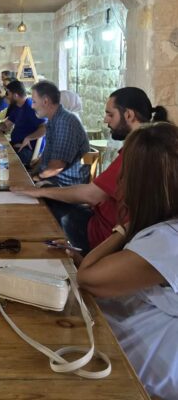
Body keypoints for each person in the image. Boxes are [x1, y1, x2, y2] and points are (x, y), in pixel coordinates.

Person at [77, 122, 178, 400]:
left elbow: (87, 278)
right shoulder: (166, 231)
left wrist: (123, 228)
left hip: (142, 372)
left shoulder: (167, 241)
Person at [16, 87, 169, 254]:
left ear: (129, 115)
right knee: (46, 193)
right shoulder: (152, 147)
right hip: (102, 221)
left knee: (42, 204)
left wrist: (40, 191)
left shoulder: (138, 152)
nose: (105, 120)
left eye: (110, 114)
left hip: (100, 234)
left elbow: (92, 194)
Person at [30, 80, 90, 186]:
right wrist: (32, 174)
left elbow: (56, 167)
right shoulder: (53, 120)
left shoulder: (65, 122)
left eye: (34, 102)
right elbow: (48, 158)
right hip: (54, 178)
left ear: (45, 101)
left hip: (65, 184)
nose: (32, 106)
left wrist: (35, 178)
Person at [0, 80, 46, 165]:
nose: (6, 96)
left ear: (15, 95)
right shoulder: (17, 107)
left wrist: (29, 138)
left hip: (27, 150)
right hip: (15, 145)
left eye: (8, 93)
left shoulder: (31, 107)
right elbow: (6, 125)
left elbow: (45, 127)